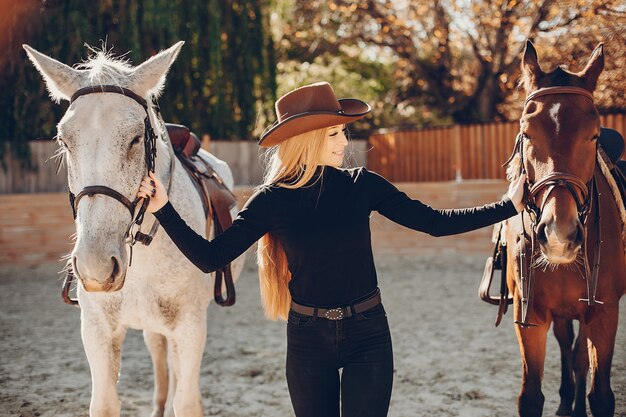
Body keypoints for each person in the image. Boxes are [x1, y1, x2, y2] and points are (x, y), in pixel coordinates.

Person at [137, 81, 526, 417]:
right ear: (308, 140)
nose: (346, 141)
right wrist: (163, 209)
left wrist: (507, 205)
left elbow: (436, 224)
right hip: (307, 338)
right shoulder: (270, 201)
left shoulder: (363, 185)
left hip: (368, 333)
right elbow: (210, 258)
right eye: (335, 134)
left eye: (343, 132)